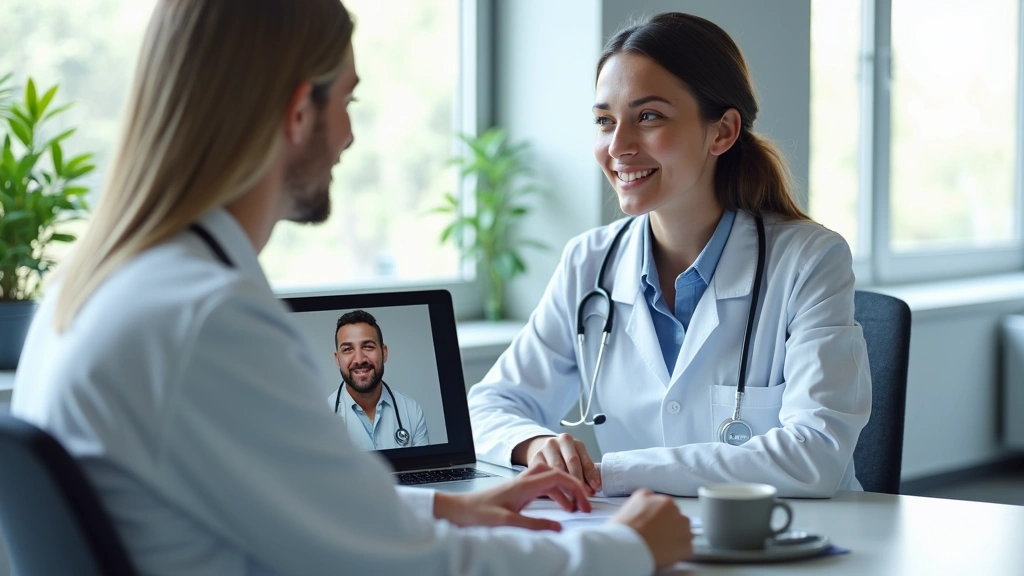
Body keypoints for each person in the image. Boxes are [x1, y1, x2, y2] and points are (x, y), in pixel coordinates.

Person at [10, 1, 694, 574]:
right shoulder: (205, 319)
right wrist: (627, 547)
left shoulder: (105, 283)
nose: (349, 135)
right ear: (295, 111)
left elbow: (291, 501)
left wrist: (445, 505)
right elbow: (412, 569)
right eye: (346, 100)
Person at [468, 12, 872, 499]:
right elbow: (490, 405)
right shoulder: (589, 261)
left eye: (649, 116)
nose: (617, 147)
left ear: (722, 132)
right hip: (643, 538)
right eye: (604, 121)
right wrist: (533, 443)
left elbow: (815, 454)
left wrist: (612, 473)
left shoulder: (810, 260)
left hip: (787, 542)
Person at [328, 310, 430, 449]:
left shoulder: (412, 411)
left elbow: (423, 469)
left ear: (384, 353)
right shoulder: (320, 419)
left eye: (368, 347)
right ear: (337, 359)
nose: (359, 359)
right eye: (347, 349)